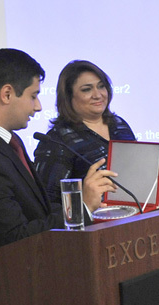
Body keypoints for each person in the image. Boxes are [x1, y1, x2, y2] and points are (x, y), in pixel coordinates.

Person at [0, 49, 116, 258]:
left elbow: (39, 211)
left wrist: (89, 205)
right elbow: (16, 238)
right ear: (7, 94)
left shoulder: (6, 141)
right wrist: (83, 208)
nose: (38, 106)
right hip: (10, 284)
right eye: (33, 96)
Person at [34, 60, 136, 205]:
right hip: (92, 225)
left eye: (101, 86)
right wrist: (83, 203)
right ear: (68, 97)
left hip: (133, 215)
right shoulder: (57, 140)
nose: (98, 95)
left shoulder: (119, 125)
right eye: (87, 89)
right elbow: (48, 204)